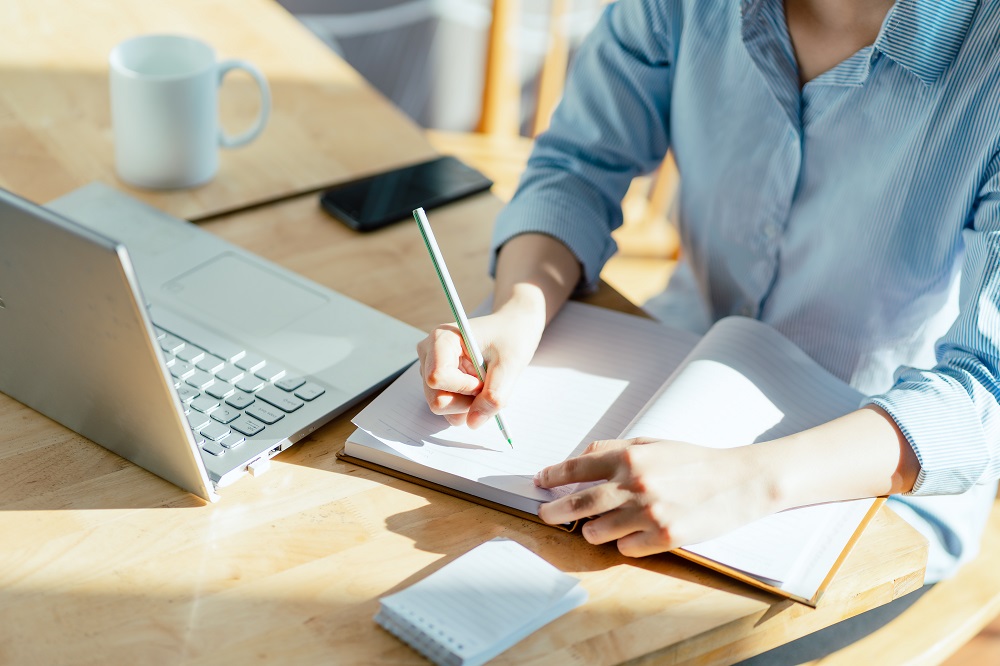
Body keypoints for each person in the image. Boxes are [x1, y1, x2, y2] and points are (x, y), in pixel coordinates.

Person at [417, 0, 999, 594]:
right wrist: (521, 306)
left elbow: (989, 387)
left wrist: (751, 477)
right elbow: (578, 166)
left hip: (868, 477)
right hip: (674, 362)